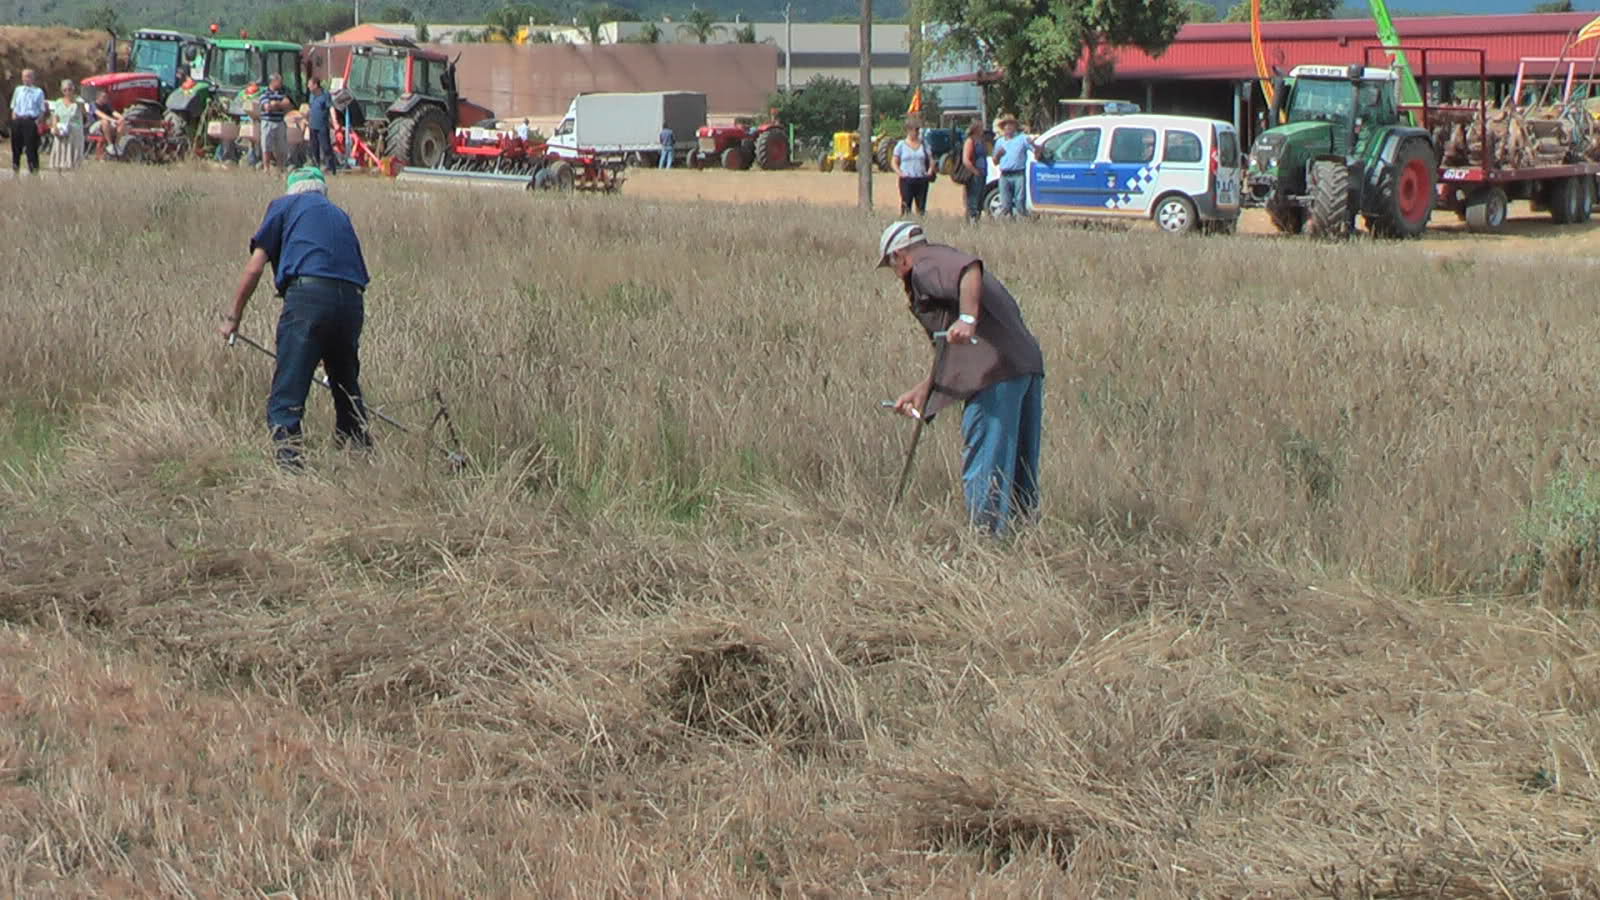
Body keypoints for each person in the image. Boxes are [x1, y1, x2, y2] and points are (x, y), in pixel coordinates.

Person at [878, 220, 1044, 536]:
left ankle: (986, 545)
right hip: (1023, 366)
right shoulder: (938, 258)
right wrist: (926, 390)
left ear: (900, 257)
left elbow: (968, 269)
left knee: (987, 464)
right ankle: (1022, 542)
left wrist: (967, 318)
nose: (897, 275)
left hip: (993, 375)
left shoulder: (926, 266)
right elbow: (951, 349)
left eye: (892, 267)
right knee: (1020, 469)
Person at [220, 165, 372, 470]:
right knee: (345, 385)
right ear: (322, 191)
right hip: (351, 302)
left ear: (291, 190)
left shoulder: (284, 206)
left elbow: (254, 267)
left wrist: (232, 316)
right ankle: (359, 458)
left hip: (308, 297)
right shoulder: (339, 215)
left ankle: (289, 467)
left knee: (288, 389)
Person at [990, 113, 1030, 219]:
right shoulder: (999, 142)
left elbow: (1034, 149)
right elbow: (994, 161)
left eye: (1010, 124)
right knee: (1005, 203)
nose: (1008, 127)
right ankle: (1008, 223)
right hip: (1004, 175)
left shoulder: (1022, 139)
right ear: (1003, 127)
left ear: (1015, 126)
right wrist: (998, 155)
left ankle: (1023, 221)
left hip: (1018, 174)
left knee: (1020, 201)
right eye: (1005, 125)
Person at [892, 121, 934, 216]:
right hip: (907, 180)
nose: (916, 132)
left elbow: (931, 160)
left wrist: (930, 171)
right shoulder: (901, 145)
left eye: (917, 130)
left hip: (921, 179)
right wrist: (900, 173)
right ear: (908, 131)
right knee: (906, 206)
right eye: (914, 130)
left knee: (921, 208)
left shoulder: (924, 144)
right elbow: (894, 162)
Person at [45, 79, 87, 172]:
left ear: (73, 89)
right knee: (60, 153)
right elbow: (55, 116)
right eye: (65, 90)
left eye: (69, 89)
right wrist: (54, 127)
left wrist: (80, 103)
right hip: (62, 130)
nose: (67, 92)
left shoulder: (79, 101)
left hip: (75, 131)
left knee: (73, 157)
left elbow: (85, 114)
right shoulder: (59, 101)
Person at [9, 68, 45, 175]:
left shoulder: (38, 92)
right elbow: (13, 105)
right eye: (24, 76)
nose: (26, 79)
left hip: (30, 121)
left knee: (31, 148)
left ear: (33, 78)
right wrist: (14, 117)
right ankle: (16, 169)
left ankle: (33, 171)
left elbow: (42, 109)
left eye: (29, 76)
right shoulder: (18, 90)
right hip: (18, 120)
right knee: (15, 147)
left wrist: (38, 121)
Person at [257, 73, 292, 171]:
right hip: (268, 123)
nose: (281, 83)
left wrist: (275, 103)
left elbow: (288, 104)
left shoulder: (282, 93)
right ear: (273, 82)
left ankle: (280, 168)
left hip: (280, 123)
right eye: (279, 81)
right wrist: (280, 105)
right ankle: (266, 168)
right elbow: (267, 107)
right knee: (266, 146)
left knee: (281, 147)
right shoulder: (264, 93)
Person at [959, 121, 990, 223]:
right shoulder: (970, 141)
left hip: (983, 173)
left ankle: (977, 220)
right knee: (973, 199)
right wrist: (975, 171)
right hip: (974, 175)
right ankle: (971, 220)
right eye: (981, 128)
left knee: (980, 199)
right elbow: (966, 160)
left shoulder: (981, 140)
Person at [306, 78, 337, 174]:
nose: (308, 87)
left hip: (322, 126)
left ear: (315, 85)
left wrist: (335, 122)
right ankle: (316, 165)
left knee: (326, 147)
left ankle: (331, 167)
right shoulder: (311, 95)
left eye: (310, 85)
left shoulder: (325, 95)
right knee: (314, 147)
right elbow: (310, 108)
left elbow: (331, 108)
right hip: (312, 125)